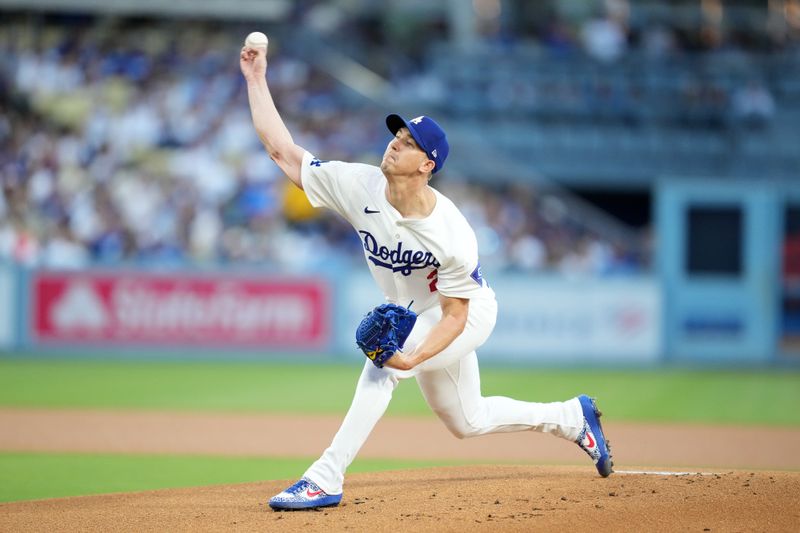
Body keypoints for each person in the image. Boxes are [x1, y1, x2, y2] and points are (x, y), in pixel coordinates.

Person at [239, 39, 613, 511]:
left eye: (409, 142)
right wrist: (256, 79)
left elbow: (455, 317)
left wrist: (410, 361)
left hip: (466, 312)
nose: (396, 142)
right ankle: (572, 418)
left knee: (383, 368)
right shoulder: (359, 185)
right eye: (397, 135)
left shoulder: (451, 232)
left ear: (427, 165)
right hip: (421, 312)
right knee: (467, 420)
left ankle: (325, 477)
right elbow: (283, 152)